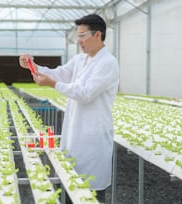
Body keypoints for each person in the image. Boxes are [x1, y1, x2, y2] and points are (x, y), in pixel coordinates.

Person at [19, 13, 119, 203]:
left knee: (91, 193)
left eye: (82, 36)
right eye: (78, 36)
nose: (79, 41)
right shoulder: (81, 59)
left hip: (93, 140)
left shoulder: (108, 63)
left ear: (98, 35)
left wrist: (52, 84)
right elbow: (59, 74)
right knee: (68, 186)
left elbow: (85, 94)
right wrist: (33, 66)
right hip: (74, 135)